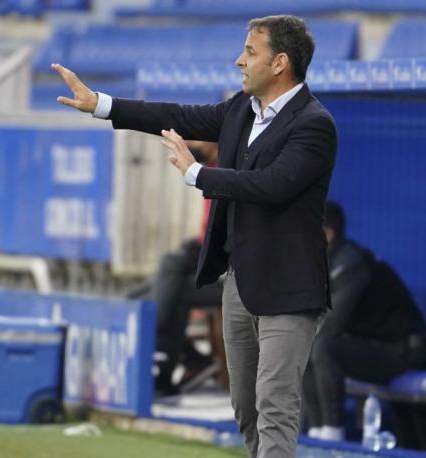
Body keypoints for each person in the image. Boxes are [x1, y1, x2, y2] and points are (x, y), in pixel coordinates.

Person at [53, 14, 337, 457]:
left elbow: (274, 184)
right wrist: (103, 104)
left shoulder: (315, 124)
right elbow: (177, 115)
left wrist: (197, 173)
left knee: (275, 407)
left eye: (250, 51)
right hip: (240, 284)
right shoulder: (241, 110)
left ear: (280, 63)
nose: (239, 60)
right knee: (246, 409)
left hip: (290, 290)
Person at [303, 202, 426, 442]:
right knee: (305, 346)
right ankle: (316, 432)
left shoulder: (351, 262)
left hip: (402, 351)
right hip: (377, 348)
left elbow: (332, 323)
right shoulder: (323, 265)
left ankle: (332, 433)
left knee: (323, 346)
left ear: (327, 233)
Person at [128, 141, 223, 396]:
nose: (190, 146)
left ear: (215, 143)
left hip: (229, 277)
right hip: (205, 262)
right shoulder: (210, 171)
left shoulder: (228, 174)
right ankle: (182, 361)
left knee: (171, 284)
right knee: (137, 295)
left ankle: (165, 354)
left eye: (196, 140)